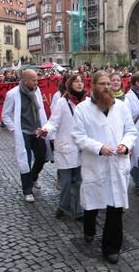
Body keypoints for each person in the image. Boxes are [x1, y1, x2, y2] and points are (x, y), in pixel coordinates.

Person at [72, 71, 137, 264]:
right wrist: (98, 147)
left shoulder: (122, 107)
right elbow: (78, 136)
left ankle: (111, 247)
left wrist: (126, 145)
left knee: (115, 206)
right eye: (102, 83)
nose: (107, 87)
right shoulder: (82, 109)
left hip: (117, 164)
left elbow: (131, 131)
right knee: (93, 203)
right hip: (96, 164)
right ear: (93, 86)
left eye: (109, 83)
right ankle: (89, 229)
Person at [36, 74, 87, 219]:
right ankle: (63, 206)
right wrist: (46, 130)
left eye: (81, 81)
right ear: (69, 84)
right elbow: (54, 121)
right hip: (66, 146)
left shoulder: (88, 102)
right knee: (65, 182)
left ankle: (79, 210)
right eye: (76, 81)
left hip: (82, 147)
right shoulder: (62, 102)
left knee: (79, 181)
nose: (79, 84)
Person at [1, 69, 51, 202]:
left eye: (37, 79)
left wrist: (45, 127)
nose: (36, 82)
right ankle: (27, 190)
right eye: (34, 80)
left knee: (42, 156)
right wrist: (14, 129)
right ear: (25, 80)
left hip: (37, 130)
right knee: (26, 161)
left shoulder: (37, 91)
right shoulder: (12, 94)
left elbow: (40, 109)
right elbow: (5, 115)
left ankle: (34, 177)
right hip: (23, 132)